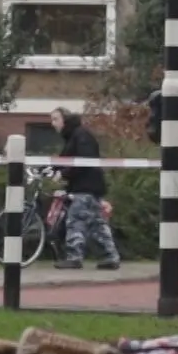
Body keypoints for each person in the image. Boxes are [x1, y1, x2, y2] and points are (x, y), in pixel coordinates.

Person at [50, 107, 120, 271]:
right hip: (89, 186)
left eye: (55, 119)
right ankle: (110, 257)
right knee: (97, 225)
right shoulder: (74, 136)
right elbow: (65, 160)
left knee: (75, 220)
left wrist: (63, 174)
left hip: (85, 187)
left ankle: (74, 257)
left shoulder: (80, 136)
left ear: (65, 120)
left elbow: (83, 162)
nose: (53, 124)